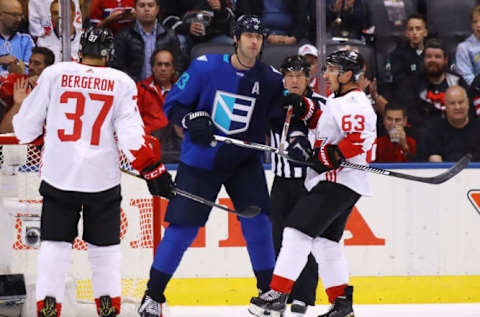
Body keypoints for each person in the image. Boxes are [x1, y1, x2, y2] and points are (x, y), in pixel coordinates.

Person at [11, 27, 174, 317]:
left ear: (79, 50)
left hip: (59, 175)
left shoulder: (55, 74)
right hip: (101, 180)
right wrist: (153, 169)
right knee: (105, 248)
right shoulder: (121, 81)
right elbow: (131, 136)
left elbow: (24, 128)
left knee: (55, 244)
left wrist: (41, 138)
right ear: (109, 53)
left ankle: (48, 304)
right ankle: (108, 304)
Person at [138, 15, 284, 316]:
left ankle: (267, 292)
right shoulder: (206, 67)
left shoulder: (271, 79)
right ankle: (152, 296)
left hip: (244, 162)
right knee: (182, 229)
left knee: (258, 223)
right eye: (248, 36)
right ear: (236, 38)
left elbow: (279, 119)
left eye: (259, 36)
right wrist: (191, 119)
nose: (254, 42)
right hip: (202, 161)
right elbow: (175, 105)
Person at [249, 49, 377, 317]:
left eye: (332, 70)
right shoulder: (337, 100)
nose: (326, 74)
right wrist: (303, 107)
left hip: (338, 181)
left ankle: (277, 293)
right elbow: (325, 121)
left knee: (295, 233)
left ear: (347, 75)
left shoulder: (354, 103)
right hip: (343, 182)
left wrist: (328, 155)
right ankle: (342, 305)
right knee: (325, 243)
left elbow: (357, 139)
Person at [269, 55, 326, 316]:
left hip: (309, 183)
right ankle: (280, 294)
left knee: (306, 240)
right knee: (278, 239)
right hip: (281, 182)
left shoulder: (321, 105)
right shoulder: (273, 104)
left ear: (308, 78)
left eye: (299, 76)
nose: (294, 80)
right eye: (289, 76)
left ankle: (303, 296)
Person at [109, 0, 182, 82]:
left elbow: (178, 65)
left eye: (150, 5)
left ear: (157, 9)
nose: (146, 9)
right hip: (133, 89)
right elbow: (117, 66)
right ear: (135, 9)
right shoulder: (124, 35)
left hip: (162, 90)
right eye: (142, 5)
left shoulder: (169, 35)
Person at [137, 47, 183, 163]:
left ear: (173, 69)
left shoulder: (183, 90)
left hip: (177, 146)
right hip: (151, 145)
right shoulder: (141, 89)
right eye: (159, 64)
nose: (163, 69)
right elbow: (134, 122)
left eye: (167, 65)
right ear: (152, 67)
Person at [0, 46, 55, 133]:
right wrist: (18, 104)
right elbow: (3, 132)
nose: (30, 67)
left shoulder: (55, 88)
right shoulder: (16, 83)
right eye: (30, 62)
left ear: (48, 68)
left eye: (37, 63)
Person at [422, 86, 480, 162]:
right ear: (445, 106)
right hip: (446, 172)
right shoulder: (434, 131)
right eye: (452, 103)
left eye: (461, 102)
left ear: (468, 104)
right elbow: (435, 162)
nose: (457, 107)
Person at [161, 0, 235, 55]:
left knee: (232, 46)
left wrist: (220, 10)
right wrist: (186, 28)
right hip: (185, 35)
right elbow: (166, 18)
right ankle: (183, 74)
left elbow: (230, 17)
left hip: (214, 36)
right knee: (179, 41)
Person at [235, 0, 312, 45]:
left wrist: (295, 37)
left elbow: (302, 18)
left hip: (291, 36)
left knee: (307, 47)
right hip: (259, 35)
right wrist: (266, 35)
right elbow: (246, 18)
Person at [388, 14, 428, 85]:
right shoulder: (397, 55)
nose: (414, 33)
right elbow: (399, 81)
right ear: (406, 33)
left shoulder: (432, 53)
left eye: (418, 29)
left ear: (425, 32)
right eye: (411, 29)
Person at [0, 0, 34, 76]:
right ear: (1, 15)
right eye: (14, 15)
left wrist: (18, 69)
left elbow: (32, 70)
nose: (19, 19)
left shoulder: (26, 40)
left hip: (18, 85)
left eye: (21, 15)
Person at [455, 5, 480, 86]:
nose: (478, 25)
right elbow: (467, 77)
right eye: (475, 21)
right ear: (472, 25)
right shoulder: (463, 48)